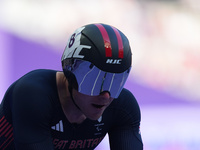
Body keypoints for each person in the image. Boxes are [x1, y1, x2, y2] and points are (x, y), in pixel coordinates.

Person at [0, 23, 143, 150]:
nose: (106, 95)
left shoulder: (123, 106)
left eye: (115, 81)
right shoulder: (32, 95)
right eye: (94, 81)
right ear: (70, 72)